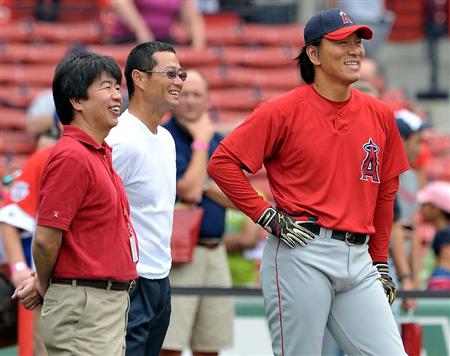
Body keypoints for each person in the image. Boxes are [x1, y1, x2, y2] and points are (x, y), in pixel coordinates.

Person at [207, 8, 409, 355]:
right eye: (341, 42)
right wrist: (264, 214)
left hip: (359, 258)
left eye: (358, 41)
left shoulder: (380, 114)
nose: (355, 50)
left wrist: (379, 261)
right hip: (302, 251)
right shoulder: (281, 110)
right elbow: (222, 163)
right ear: (313, 53)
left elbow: (385, 192)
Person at [12, 51, 138, 355]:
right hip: (85, 304)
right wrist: (44, 282)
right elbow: (44, 240)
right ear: (77, 101)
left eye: (116, 86)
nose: (117, 95)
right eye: (105, 87)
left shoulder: (96, 153)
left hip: (100, 303)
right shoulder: (72, 156)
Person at [105, 41, 182, 356]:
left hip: (160, 277)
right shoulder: (120, 140)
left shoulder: (165, 138)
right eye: (170, 74)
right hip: (129, 281)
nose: (178, 82)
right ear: (138, 78)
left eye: (181, 74)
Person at [161, 69, 234, 356]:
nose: (190, 101)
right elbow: (189, 191)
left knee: (210, 344)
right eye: (185, 94)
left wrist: (202, 183)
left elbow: (239, 197)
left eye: (197, 95)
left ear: (207, 100)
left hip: (215, 251)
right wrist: (201, 142)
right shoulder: (164, 136)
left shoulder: (220, 139)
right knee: (169, 345)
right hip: (178, 255)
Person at [109, 0, 206, 48]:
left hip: (164, 40)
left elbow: (192, 17)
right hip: (130, 39)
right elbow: (120, 3)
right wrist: (142, 32)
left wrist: (198, 45)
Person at [416, 181, 450, 289]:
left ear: (436, 209)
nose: (421, 209)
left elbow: (443, 274)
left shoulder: (445, 234)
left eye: (425, 205)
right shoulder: (441, 233)